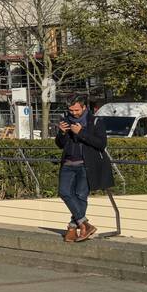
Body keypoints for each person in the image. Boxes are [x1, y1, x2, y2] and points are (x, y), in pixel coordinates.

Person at [54, 95, 111, 244]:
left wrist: (81, 133)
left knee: (80, 195)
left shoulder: (96, 122)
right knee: (64, 192)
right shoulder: (65, 121)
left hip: (86, 165)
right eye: (71, 110)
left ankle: (73, 228)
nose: (73, 113)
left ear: (84, 107)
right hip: (68, 164)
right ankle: (85, 224)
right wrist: (61, 133)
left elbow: (101, 144)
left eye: (77, 110)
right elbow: (60, 144)